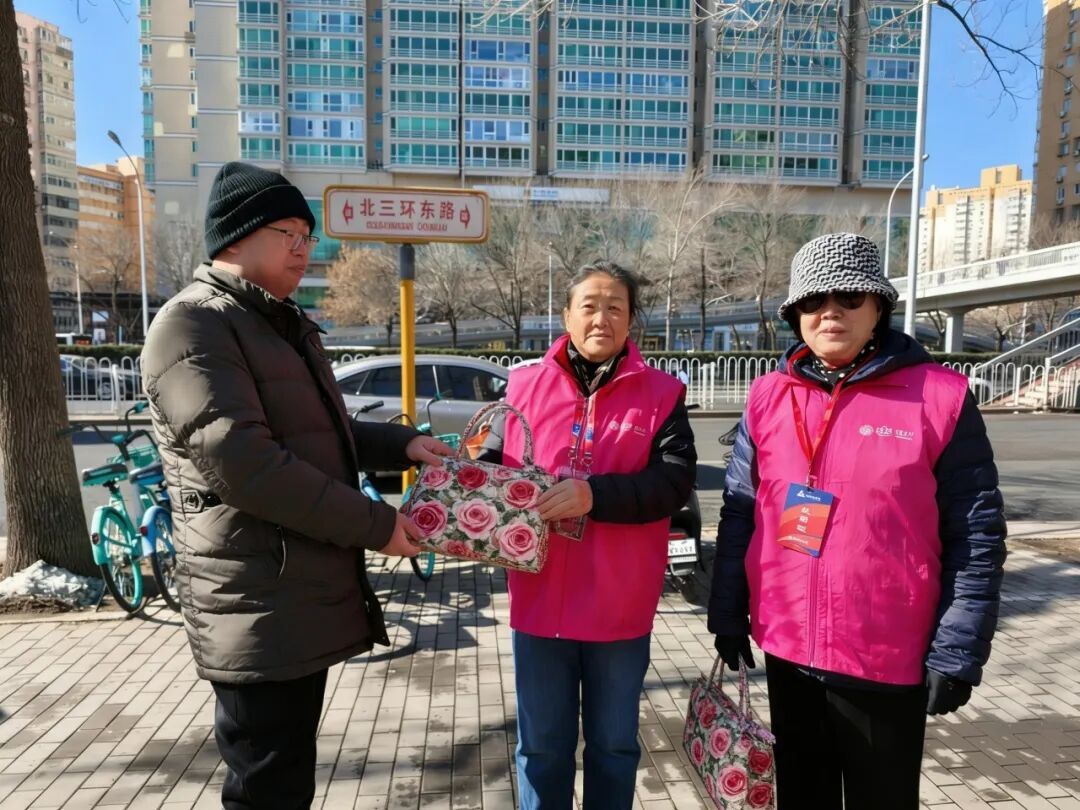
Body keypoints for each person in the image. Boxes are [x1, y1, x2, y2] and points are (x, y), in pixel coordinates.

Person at [140, 162, 452, 810]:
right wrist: (379, 526)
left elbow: (318, 431)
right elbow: (248, 465)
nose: (304, 248)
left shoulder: (275, 322)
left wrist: (400, 445)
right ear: (237, 234)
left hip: (288, 595)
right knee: (266, 787)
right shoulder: (192, 326)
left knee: (285, 782)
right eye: (289, 233)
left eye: (308, 236)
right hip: (254, 599)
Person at [708, 233, 1007, 809]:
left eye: (848, 297)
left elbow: (976, 533)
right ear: (796, 315)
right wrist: (727, 611)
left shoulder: (939, 398)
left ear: (878, 309)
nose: (830, 312)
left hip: (886, 655)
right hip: (789, 648)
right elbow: (741, 511)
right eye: (813, 301)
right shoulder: (767, 396)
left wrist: (957, 650)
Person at [479, 260, 697, 809]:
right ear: (566, 315)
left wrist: (594, 495)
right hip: (539, 600)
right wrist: (463, 491)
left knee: (613, 747)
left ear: (631, 320)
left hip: (619, 605)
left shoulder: (662, 393)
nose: (602, 318)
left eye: (615, 307)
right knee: (541, 749)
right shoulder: (522, 386)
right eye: (590, 306)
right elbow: (491, 468)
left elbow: (672, 483)